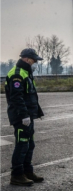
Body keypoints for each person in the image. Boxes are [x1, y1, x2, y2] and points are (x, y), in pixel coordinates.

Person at [5, 48, 45, 186]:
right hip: (21, 116)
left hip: (28, 115)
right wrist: (24, 115)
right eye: (34, 60)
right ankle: (17, 175)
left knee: (29, 144)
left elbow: (30, 96)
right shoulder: (17, 74)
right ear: (27, 59)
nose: (35, 62)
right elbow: (17, 98)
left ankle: (27, 171)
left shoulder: (26, 72)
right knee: (22, 145)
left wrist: (35, 113)